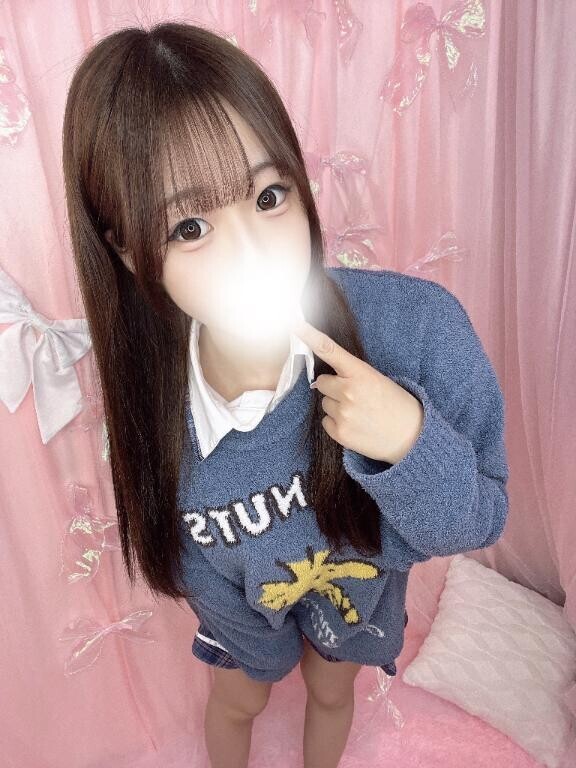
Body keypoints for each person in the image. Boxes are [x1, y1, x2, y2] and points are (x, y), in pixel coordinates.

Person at [62, 21, 509, 768]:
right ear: (128, 251)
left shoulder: (417, 330)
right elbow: (192, 554)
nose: (253, 253)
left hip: (355, 594)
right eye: (191, 226)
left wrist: (407, 442)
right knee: (239, 698)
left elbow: (482, 517)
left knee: (332, 691)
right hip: (246, 610)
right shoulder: (157, 403)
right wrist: (260, 656)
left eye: (269, 196)